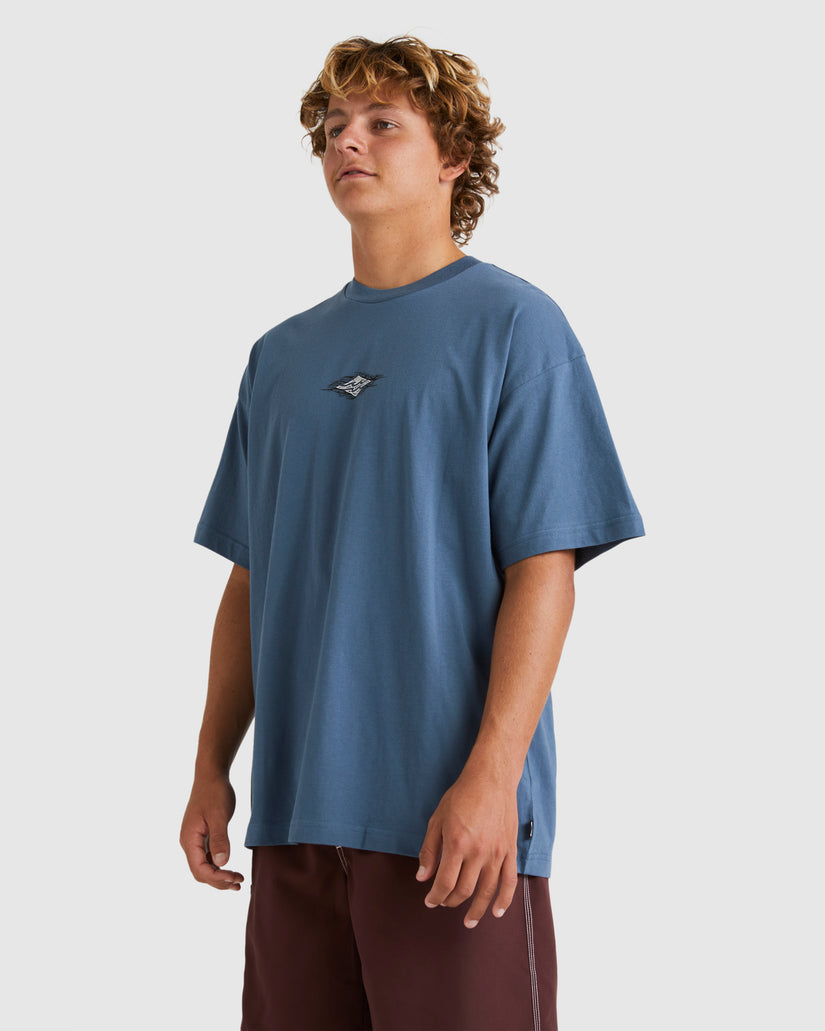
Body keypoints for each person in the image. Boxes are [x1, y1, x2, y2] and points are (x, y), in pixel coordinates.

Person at [180, 34, 644, 1031]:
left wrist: (492, 776)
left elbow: (545, 569)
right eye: (333, 128)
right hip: (295, 817)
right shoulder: (279, 357)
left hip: (451, 826)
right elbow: (252, 579)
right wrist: (211, 765)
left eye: (383, 123)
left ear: (453, 158)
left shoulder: (514, 326)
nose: (348, 142)